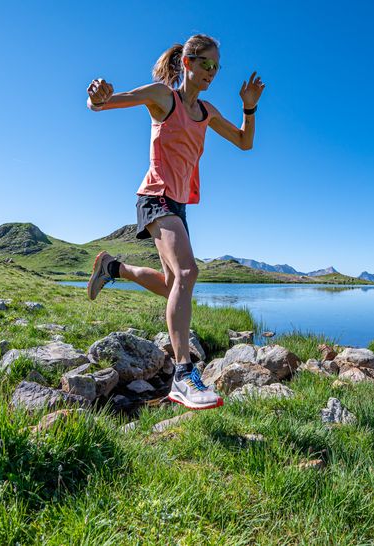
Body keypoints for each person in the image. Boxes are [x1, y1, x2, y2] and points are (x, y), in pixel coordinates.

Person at [85, 34, 264, 410]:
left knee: (173, 286)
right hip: (155, 196)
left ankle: (113, 267)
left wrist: (249, 108)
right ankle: (183, 375)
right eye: (206, 65)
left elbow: (245, 143)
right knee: (187, 274)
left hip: (179, 205)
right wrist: (97, 94)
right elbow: (100, 105)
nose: (212, 73)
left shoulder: (208, 111)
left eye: (217, 67)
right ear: (187, 63)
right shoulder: (162, 97)